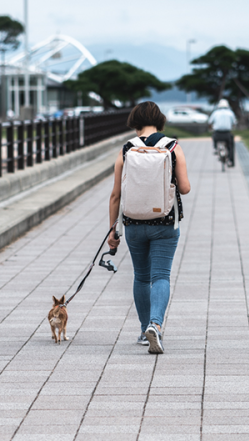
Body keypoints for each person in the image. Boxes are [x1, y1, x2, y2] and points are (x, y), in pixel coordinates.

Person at [108, 101, 191, 354]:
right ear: (160, 120)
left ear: (134, 122)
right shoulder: (173, 147)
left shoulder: (126, 149)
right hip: (165, 222)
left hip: (133, 223)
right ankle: (156, 324)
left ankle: (145, 330)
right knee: (161, 276)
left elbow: (115, 195)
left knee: (141, 277)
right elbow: (185, 188)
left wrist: (114, 231)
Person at [208, 99, 237, 167]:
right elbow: (234, 123)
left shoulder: (215, 113)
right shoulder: (230, 113)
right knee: (230, 146)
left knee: (213, 136)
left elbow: (210, 122)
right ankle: (230, 161)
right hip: (227, 133)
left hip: (217, 133)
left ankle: (215, 148)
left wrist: (210, 128)